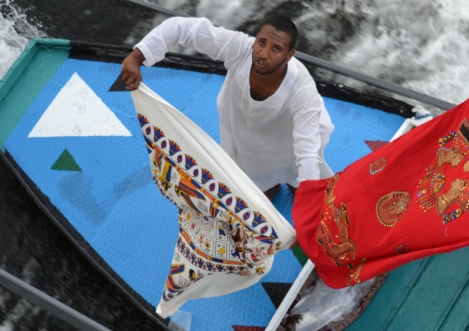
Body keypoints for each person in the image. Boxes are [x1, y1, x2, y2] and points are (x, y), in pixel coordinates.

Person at [120, 15, 334, 199]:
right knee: (256, 200)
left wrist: (306, 204)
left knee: (306, 194)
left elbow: (306, 152)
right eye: (261, 43)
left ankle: (295, 187)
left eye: (276, 49)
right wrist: (137, 56)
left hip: (295, 142)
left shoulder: (303, 90)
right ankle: (272, 184)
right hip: (253, 145)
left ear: (289, 56)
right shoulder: (239, 48)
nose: (263, 53)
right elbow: (184, 28)